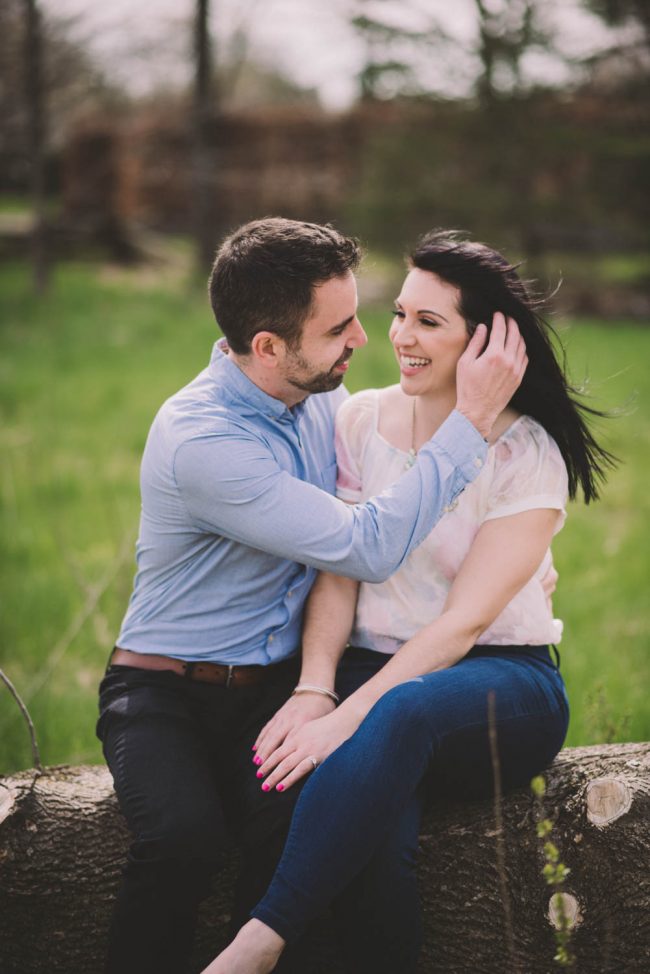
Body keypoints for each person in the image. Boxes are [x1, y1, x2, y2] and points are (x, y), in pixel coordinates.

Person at [96, 219, 527, 974]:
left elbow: (393, 482)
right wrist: (474, 422)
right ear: (268, 346)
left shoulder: (323, 397)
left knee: (303, 832)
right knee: (183, 839)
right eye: (338, 328)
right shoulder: (205, 442)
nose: (364, 338)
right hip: (163, 691)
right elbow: (365, 543)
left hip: (272, 691)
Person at [205, 230, 616, 974]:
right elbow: (339, 570)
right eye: (400, 314)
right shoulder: (361, 419)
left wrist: (348, 720)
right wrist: (316, 689)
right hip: (374, 672)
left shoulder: (527, 453)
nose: (400, 337)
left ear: (486, 343)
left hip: (498, 684)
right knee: (371, 843)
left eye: (429, 322)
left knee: (402, 712)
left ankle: (256, 944)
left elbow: (463, 623)